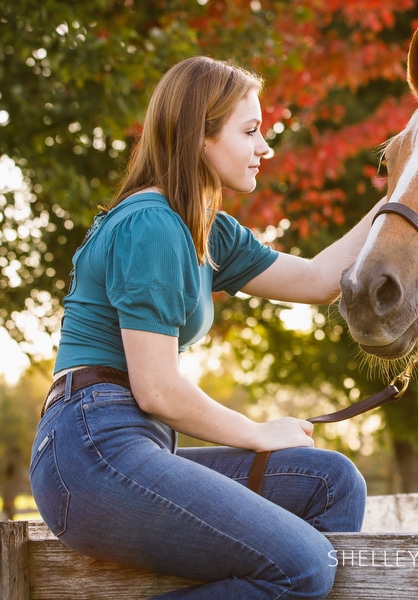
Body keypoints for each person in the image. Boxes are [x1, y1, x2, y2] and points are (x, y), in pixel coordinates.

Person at [29, 56, 380, 599]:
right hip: (89, 451)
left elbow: (316, 280)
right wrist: (260, 433)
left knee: (329, 482)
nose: (265, 147)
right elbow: (158, 388)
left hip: (133, 444)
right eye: (250, 131)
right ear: (200, 138)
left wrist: (401, 200)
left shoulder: (206, 231)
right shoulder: (153, 224)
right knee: (304, 566)